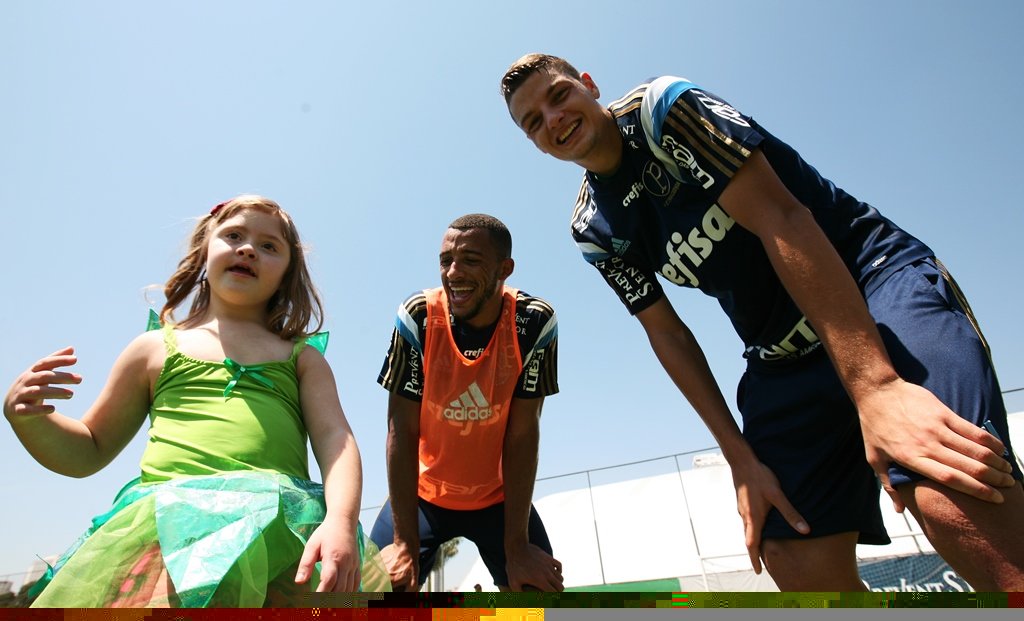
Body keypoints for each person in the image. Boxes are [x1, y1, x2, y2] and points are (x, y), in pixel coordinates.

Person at [500, 54, 1024, 591]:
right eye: (534, 122)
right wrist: (739, 459)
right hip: (780, 355)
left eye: (558, 96)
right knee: (795, 562)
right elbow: (667, 334)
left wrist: (876, 387)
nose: (553, 119)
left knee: (948, 489)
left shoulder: (663, 110)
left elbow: (783, 217)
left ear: (589, 86)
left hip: (872, 288)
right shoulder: (592, 227)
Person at [4, 195, 388, 607]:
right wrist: (30, 420)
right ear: (205, 250)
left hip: (279, 537)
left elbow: (336, 441)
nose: (247, 249)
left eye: (269, 246)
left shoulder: (300, 357)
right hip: (171, 534)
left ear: (287, 274)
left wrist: (341, 521)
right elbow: (89, 448)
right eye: (234, 235)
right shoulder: (152, 349)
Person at [370, 214, 564, 592]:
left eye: (471, 260)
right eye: (446, 261)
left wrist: (517, 546)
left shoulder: (535, 321)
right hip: (424, 496)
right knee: (376, 591)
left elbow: (523, 433)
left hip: (498, 499)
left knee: (537, 596)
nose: (453, 272)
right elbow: (402, 431)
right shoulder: (418, 316)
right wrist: (404, 545)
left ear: (504, 269)